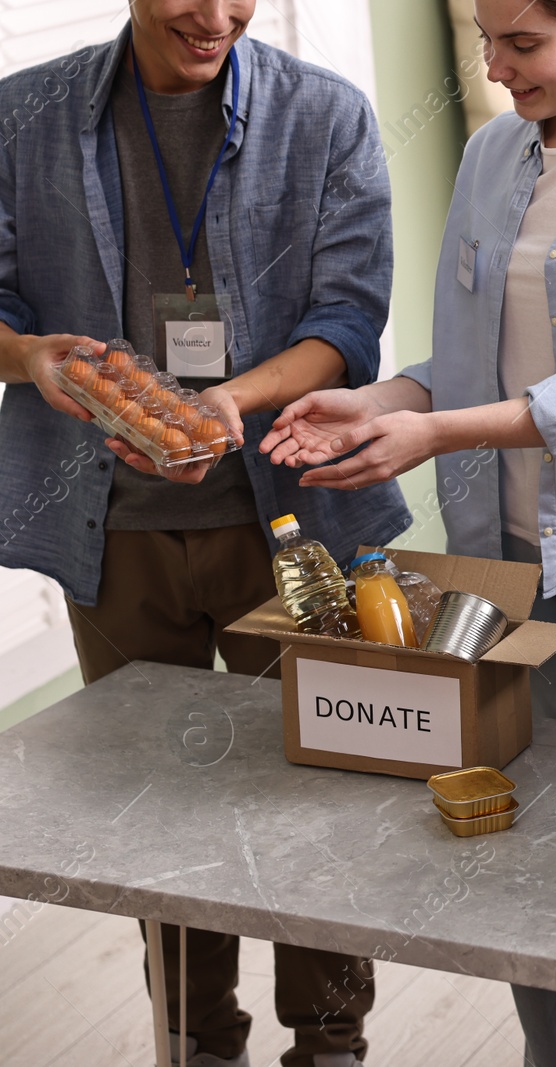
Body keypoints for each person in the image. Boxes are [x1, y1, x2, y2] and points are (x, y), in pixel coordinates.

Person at [259, 1, 556, 1064]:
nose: (494, 65)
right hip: (502, 560)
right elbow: (467, 363)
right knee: (522, 838)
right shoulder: (489, 155)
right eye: (487, 39)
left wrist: (427, 432)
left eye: (520, 43)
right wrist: (381, 401)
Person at [0, 3, 408, 1065]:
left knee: (313, 796)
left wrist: (228, 405)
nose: (218, 13)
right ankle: (194, 1036)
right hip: (111, 533)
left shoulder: (326, 115)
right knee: (160, 812)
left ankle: (330, 1040)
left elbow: (350, 320)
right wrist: (31, 356)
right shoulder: (22, 115)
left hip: (289, 523)